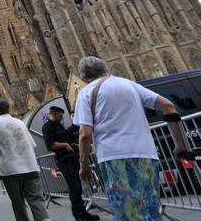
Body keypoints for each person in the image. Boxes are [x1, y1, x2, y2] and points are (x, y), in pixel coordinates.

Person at [74, 56, 189, 221]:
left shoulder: (85, 93)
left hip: (114, 159)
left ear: (84, 77)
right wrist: (179, 145)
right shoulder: (129, 84)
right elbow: (168, 106)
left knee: (126, 213)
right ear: (106, 69)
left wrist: (83, 165)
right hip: (146, 155)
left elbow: (85, 134)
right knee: (150, 209)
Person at [0, 99, 51, 221]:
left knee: (18, 203)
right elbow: (31, 144)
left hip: (10, 170)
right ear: (8, 109)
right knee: (37, 200)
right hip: (30, 167)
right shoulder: (20, 122)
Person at [42, 106, 99, 221]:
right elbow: (50, 145)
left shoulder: (60, 126)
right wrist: (65, 145)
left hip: (72, 158)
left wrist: (74, 145)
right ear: (53, 114)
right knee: (74, 188)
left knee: (78, 187)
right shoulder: (47, 127)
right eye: (60, 115)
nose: (62, 117)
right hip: (63, 160)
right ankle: (79, 215)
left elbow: (68, 139)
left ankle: (82, 213)